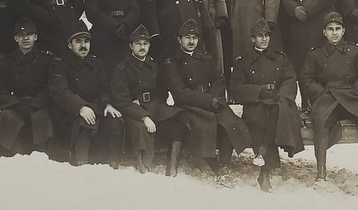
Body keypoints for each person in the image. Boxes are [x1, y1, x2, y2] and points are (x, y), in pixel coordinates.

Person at [299, 11, 358, 183]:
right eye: (330, 29)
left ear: (343, 31)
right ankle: (321, 171)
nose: (334, 32)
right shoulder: (315, 54)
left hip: (351, 97)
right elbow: (306, 78)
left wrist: (356, 90)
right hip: (328, 97)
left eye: (338, 29)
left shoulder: (355, 51)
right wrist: (320, 93)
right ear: (324, 32)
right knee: (322, 122)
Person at [164, 19, 251, 187]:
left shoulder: (205, 59)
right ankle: (216, 167)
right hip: (189, 106)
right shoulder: (172, 63)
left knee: (230, 122)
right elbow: (180, 93)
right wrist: (208, 101)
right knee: (204, 127)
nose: (191, 42)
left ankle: (224, 165)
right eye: (187, 38)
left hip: (211, 102)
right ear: (179, 40)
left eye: (195, 38)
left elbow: (219, 79)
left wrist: (215, 98)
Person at [229, 18, 304, 193]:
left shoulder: (280, 59)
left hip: (278, 102)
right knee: (261, 117)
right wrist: (258, 92)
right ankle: (264, 168)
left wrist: (283, 96)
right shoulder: (244, 62)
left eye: (267, 36)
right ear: (252, 39)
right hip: (257, 103)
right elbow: (236, 88)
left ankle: (264, 164)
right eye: (260, 36)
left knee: (277, 113)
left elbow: (290, 79)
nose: (264, 39)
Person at [110, 24, 188, 175]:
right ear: (131, 46)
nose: (142, 47)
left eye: (145, 44)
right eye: (138, 44)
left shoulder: (153, 65)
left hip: (154, 106)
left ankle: (172, 167)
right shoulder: (122, 69)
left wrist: (156, 106)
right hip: (132, 110)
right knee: (139, 127)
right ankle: (142, 163)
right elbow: (121, 100)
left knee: (176, 122)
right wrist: (143, 114)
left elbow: (162, 91)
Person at [47, 21, 124, 167]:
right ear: (70, 45)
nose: (83, 46)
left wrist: (107, 104)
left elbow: (104, 89)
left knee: (115, 122)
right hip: (68, 111)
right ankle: (81, 162)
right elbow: (60, 91)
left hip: (94, 107)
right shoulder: (59, 64)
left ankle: (113, 164)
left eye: (86, 41)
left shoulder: (97, 63)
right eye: (78, 41)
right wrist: (80, 107)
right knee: (84, 121)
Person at [0, 17, 55, 155]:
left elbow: (50, 87)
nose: (25, 38)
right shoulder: (5, 62)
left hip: (38, 106)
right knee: (6, 117)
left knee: (43, 118)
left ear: (35, 37)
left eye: (29, 34)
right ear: (15, 39)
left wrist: (35, 105)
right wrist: (14, 105)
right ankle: (8, 154)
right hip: (15, 104)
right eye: (21, 35)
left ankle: (41, 155)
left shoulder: (47, 60)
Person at [85, 0, 142, 76]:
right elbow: (92, 12)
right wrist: (114, 25)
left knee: (123, 73)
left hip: (123, 38)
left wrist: (125, 25)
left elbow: (135, 10)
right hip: (102, 38)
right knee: (104, 73)